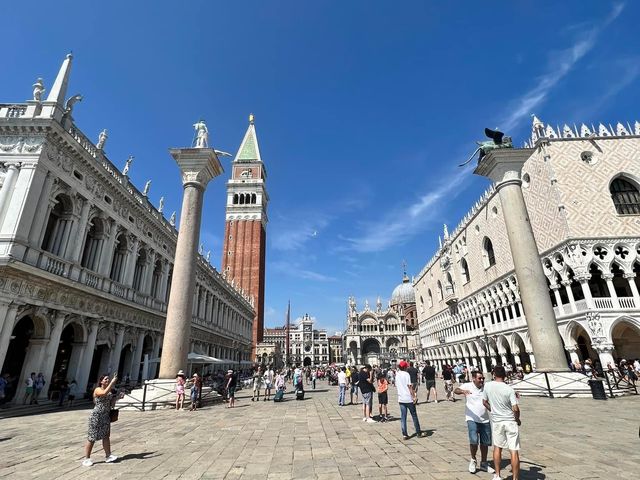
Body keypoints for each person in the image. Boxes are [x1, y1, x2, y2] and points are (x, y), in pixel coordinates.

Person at [482, 366, 521, 480]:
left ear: (494, 374)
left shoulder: (488, 386)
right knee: (513, 450)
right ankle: (515, 478)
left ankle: (497, 475)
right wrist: (517, 419)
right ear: (505, 375)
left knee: (497, 447)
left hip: (497, 421)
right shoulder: (509, 389)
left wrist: (493, 410)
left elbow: (484, 402)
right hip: (510, 421)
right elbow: (515, 408)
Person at [455, 371, 496, 475]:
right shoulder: (468, 385)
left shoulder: (486, 388)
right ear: (473, 379)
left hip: (485, 419)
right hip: (471, 418)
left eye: (482, 378)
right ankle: (473, 460)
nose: (482, 380)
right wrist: (462, 392)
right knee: (474, 440)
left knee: (485, 442)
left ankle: (484, 463)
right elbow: (456, 390)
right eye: (479, 378)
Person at [82, 373, 121, 466]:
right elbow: (103, 394)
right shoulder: (98, 389)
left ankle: (108, 456)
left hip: (106, 416)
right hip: (97, 416)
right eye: (105, 379)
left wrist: (118, 397)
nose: (107, 380)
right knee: (92, 437)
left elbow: (111, 404)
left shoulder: (110, 391)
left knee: (106, 436)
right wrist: (112, 382)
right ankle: (86, 459)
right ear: (101, 381)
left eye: (108, 379)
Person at [396, 361, 426, 440]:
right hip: (408, 398)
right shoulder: (406, 374)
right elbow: (410, 387)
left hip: (401, 398)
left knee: (403, 417)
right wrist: (414, 397)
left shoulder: (397, 374)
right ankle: (418, 432)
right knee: (414, 416)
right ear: (405, 367)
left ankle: (404, 434)